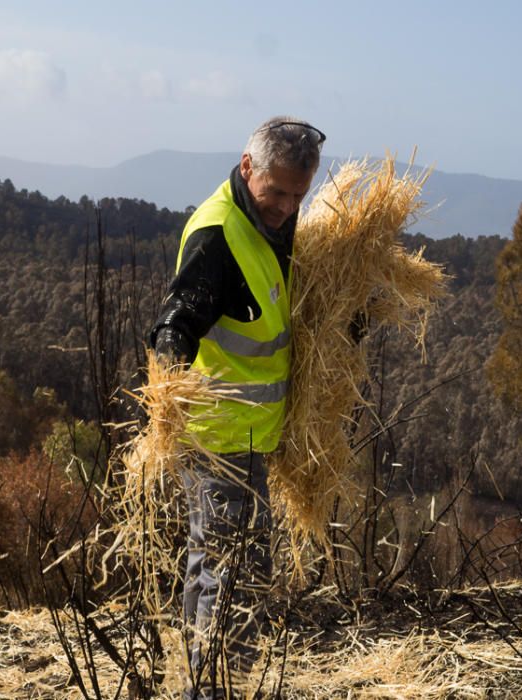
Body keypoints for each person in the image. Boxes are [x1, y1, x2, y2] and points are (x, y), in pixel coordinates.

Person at [150, 117, 325, 699]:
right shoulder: (217, 235)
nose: (286, 206)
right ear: (247, 167)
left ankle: (204, 682)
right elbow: (177, 321)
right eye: (276, 192)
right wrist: (167, 393)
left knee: (216, 562)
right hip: (218, 435)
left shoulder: (273, 220)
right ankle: (215, 689)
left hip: (252, 433)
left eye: (299, 195)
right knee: (234, 572)